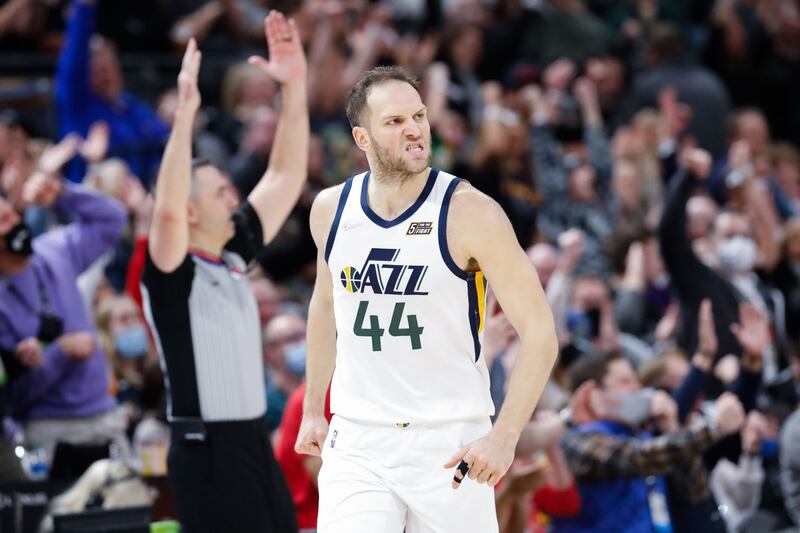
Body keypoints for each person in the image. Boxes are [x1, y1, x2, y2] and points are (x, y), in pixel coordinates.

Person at [295, 66, 559, 532]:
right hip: (359, 439)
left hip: (449, 439)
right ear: (363, 138)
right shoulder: (330, 208)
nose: (414, 129)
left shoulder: (472, 212)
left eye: (418, 115)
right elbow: (324, 304)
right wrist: (315, 408)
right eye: (395, 121)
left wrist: (505, 436)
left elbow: (540, 333)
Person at [140, 11, 307, 533]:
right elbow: (164, 213)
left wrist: (294, 86)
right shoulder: (172, 271)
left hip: (255, 442)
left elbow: (285, 173)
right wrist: (185, 115)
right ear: (190, 212)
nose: (233, 196)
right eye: (219, 193)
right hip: (206, 451)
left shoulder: (231, 253)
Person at [0, 169, 129, 466]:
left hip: (104, 416)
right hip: (50, 429)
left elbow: (114, 220)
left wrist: (64, 194)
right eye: (5, 223)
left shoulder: (52, 250)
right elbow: (15, 398)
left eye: (13, 214)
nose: (17, 224)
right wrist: (59, 354)